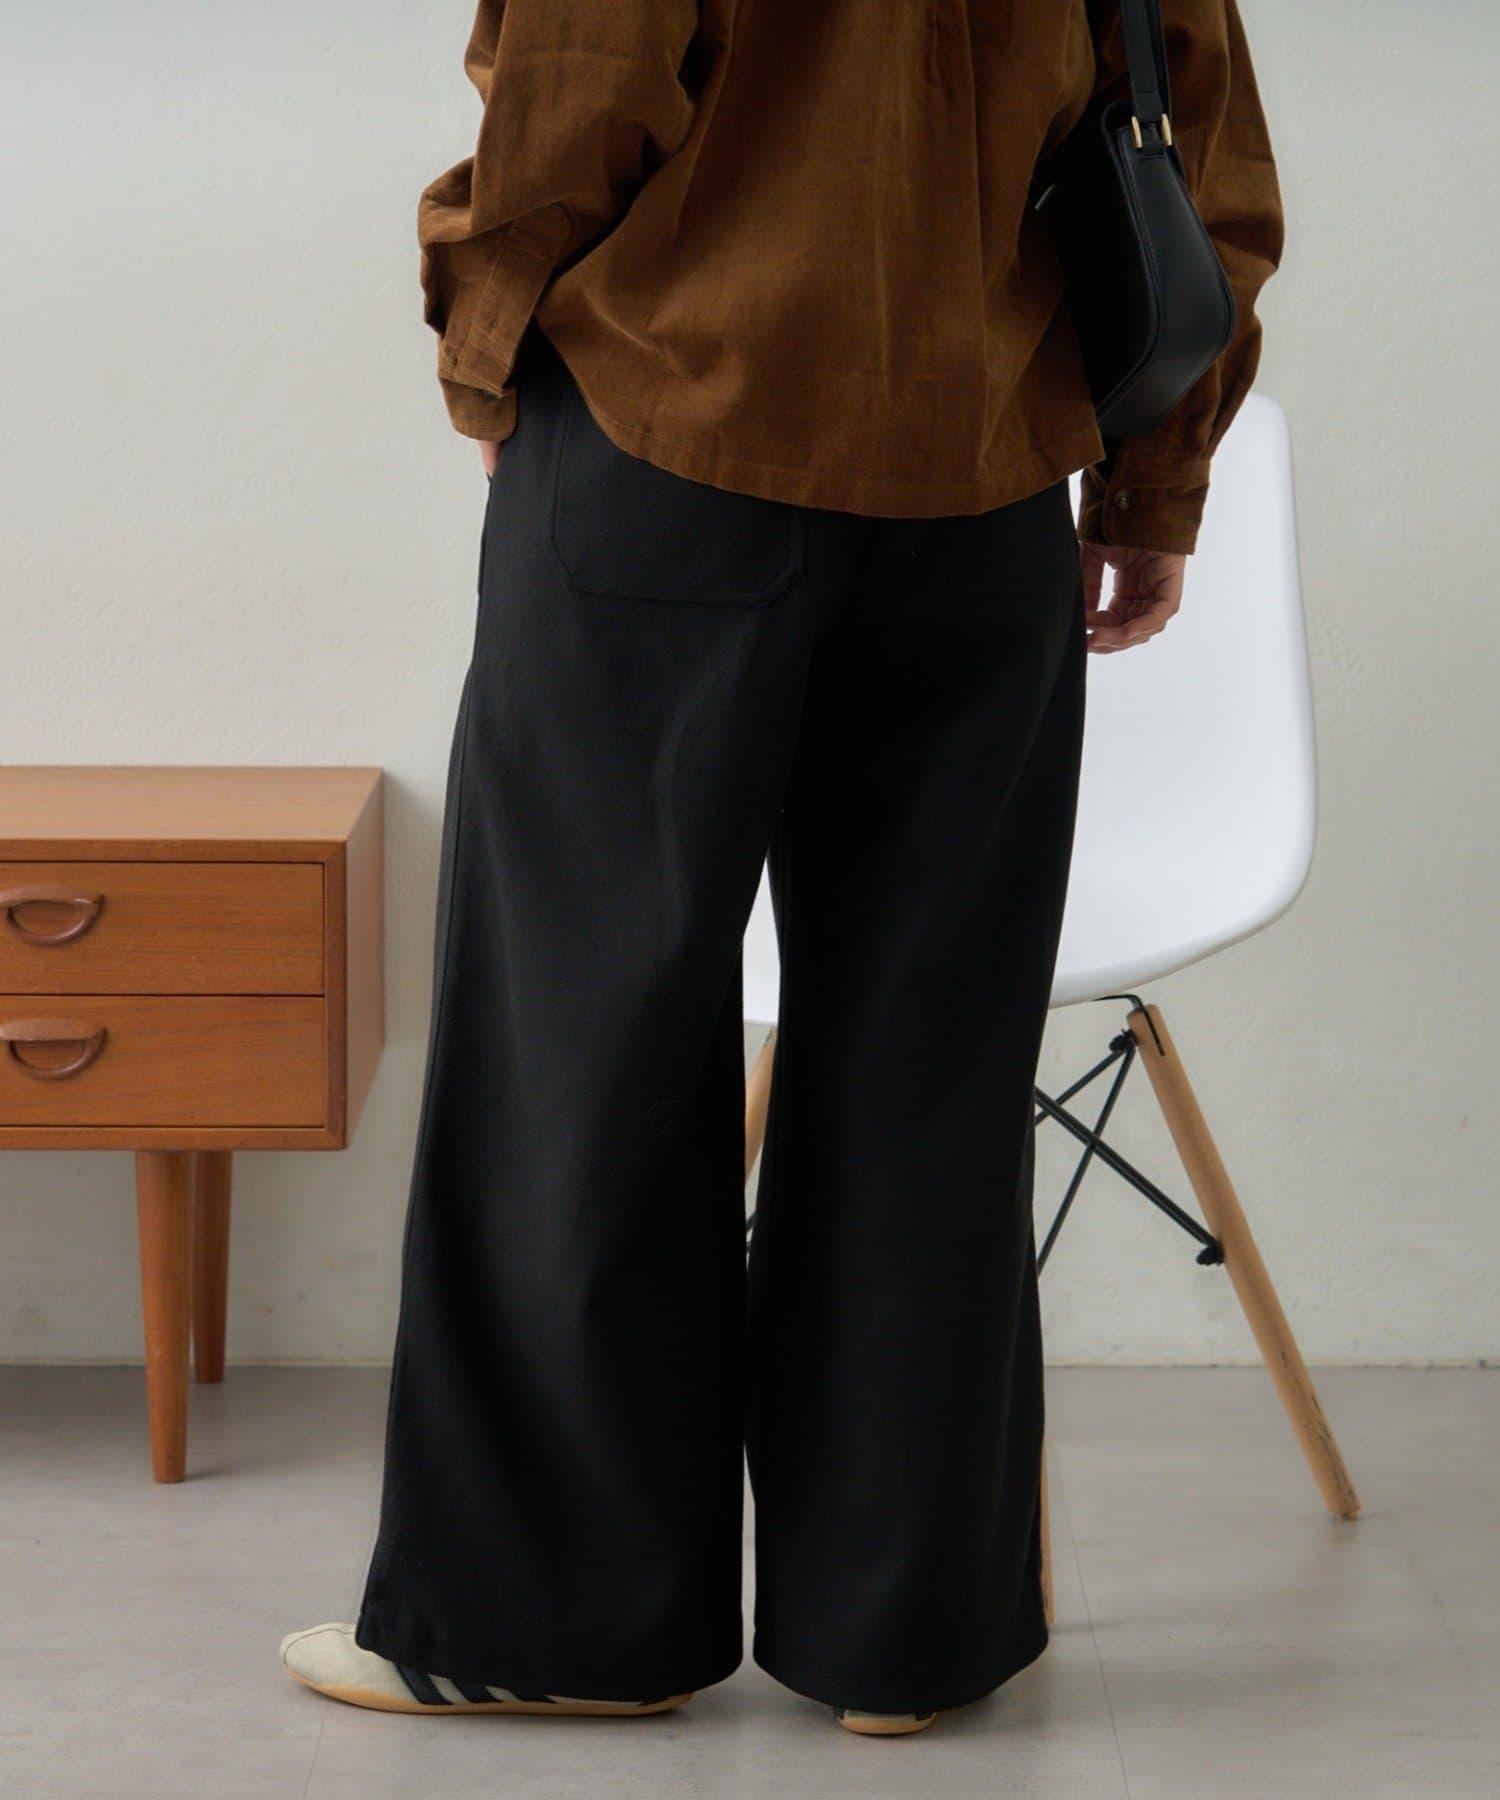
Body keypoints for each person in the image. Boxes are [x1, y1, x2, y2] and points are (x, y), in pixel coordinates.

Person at [280, 0, 1281, 1737]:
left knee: (577, 1045)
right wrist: (1154, 483)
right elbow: (1199, 146)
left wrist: (484, 346)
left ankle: (546, 1629)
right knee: (928, 1066)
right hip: (982, 499)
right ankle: (905, 1645)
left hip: (668, 451)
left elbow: (571, 95)